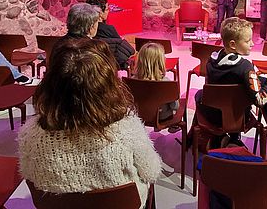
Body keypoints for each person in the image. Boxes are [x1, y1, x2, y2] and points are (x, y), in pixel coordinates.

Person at [18, 39, 162, 207]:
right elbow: (151, 172)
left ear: (50, 84)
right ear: (107, 86)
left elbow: (30, 176)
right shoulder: (127, 129)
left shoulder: (30, 135)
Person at [194, 17, 267, 148]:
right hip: (238, 118)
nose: (252, 44)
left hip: (213, 114)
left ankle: (220, 137)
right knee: (261, 86)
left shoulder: (211, 59)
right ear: (232, 44)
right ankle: (234, 138)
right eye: (248, 41)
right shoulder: (245, 67)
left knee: (200, 94)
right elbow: (260, 100)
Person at [86, 0, 136, 69]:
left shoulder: (84, 30)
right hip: (110, 63)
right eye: (106, 9)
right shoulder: (108, 29)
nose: (108, 11)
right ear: (100, 13)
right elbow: (121, 46)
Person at [133, 42, 179, 121]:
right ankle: (174, 126)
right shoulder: (166, 83)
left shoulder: (131, 80)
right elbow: (175, 106)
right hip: (162, 117)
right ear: (160, 61)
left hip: (139, 116)